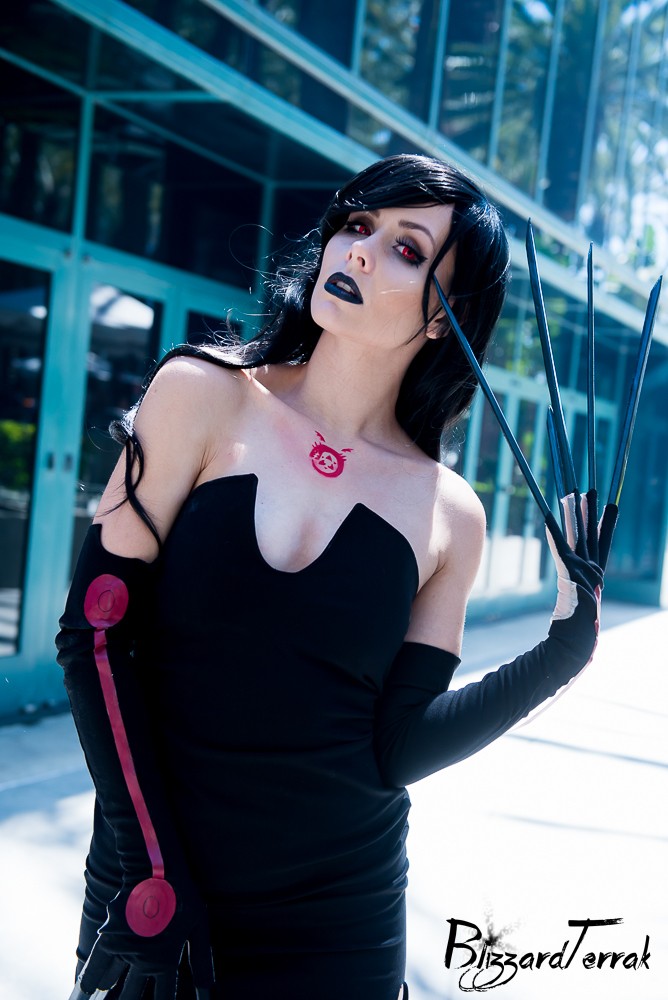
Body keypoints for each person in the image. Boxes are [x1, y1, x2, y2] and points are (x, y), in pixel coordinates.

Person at [56, 155, 602, 1000]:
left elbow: (397, 747)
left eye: (406, 249)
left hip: (341, 924)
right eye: (356, 225)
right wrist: (149, 866)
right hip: (151, 887)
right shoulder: (202, 394)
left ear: (443, 318)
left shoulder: (450, 514)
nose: (358, 252)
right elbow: (94, 637)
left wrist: (563, 651)